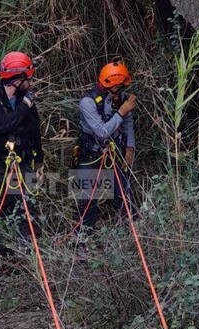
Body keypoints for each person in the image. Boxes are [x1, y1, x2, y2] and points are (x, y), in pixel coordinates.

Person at [0, 51, 44, 248]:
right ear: (17, 79)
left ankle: (28, 254)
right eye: (27, 78)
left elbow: (35, 131)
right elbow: (3, 126)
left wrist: (39, 161)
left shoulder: (26, 100)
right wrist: (24, 106)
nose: (30, 82)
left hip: (23, 161)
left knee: (28, 207)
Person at [76, 61, 137, 234]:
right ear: (111, 85)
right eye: (119, 87)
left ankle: (133, 229)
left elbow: (128, 124)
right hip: (91, 154)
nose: (122, 90)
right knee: (87, 200)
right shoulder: (88, 102)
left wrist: (130, 148)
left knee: (124, 195)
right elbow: (102, 132)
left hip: (114, 153)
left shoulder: (122, 99)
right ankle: (83, 236)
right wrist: (121, 112)